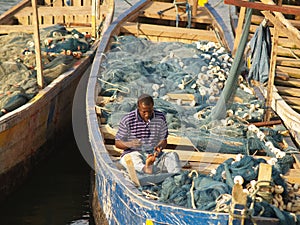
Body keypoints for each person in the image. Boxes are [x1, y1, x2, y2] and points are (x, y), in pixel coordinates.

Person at [115, 94, 181, 174]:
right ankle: (145, 168)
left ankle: (176, 177)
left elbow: (164, 140)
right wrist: (130, 144)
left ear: (153, 107)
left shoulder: (160, 117)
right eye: (144, 112)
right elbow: (117, 143)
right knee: (128, 159)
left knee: (172, 156)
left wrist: (159, 147)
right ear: (138, 108)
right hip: (135, 153)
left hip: (154, 157)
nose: (147, 114)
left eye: (150, 111)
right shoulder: (128, 120)